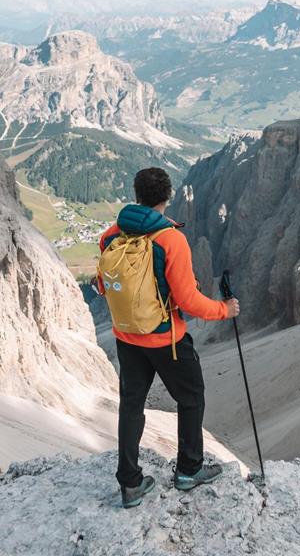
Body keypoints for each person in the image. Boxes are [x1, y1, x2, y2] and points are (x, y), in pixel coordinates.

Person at [94, 166, 239, 507]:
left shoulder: (110, 235)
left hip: (126, 337)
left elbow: (104, 284)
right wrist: (224, 310)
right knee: (191, 398)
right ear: (167, 197)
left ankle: (130, 484)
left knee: (131, 406)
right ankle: (189, 471)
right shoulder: (171, 239)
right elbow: (189, 302)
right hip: (166, 340)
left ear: (136, 194)